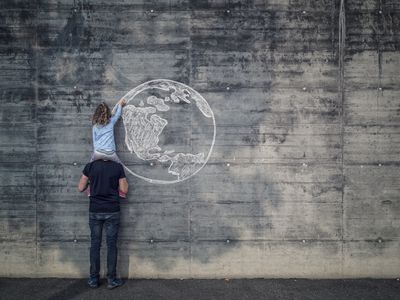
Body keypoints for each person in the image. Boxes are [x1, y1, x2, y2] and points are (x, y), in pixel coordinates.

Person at [78, 158, 129, 289]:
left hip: (95, 210)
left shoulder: (90, 166)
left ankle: (93, 279)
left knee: (95, 244)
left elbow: (80, 188)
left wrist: (91, 183)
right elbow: (124, 189)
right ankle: (111, 280)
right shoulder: (117, 167)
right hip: (112, 210)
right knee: (111, 245)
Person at [87, 98, 127, 197]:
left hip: (98, 153)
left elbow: (94, 142)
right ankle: (121, 192)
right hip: (110, 153)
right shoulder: (111, 122)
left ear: (96, 114)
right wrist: (120, 105)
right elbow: (117, 115)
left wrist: (96, 153)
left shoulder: (95, 127)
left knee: (89, 169)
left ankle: (89, 189)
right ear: (107, 113)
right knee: (120, 168)